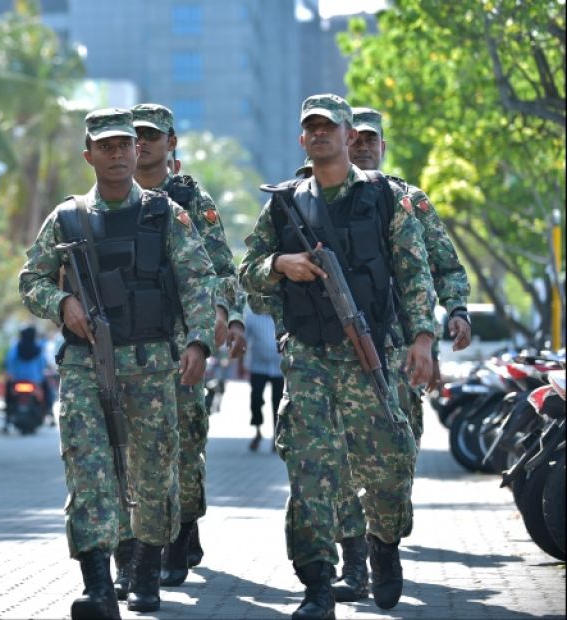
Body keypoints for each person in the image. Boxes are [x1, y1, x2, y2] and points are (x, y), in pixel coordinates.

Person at [239, 93, 437, 619]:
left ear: (351, 136)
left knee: (391, 464)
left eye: (332, 126)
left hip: (375, 354)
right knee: (310, 472)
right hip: (308, 357)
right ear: (302, 139)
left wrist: (422, 339)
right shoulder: (283, 203)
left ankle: (385, 545)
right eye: (312, 128)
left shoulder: (386, 198)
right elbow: (246, 270)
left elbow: (415, 272)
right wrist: (281, 263)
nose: (321, 134)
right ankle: (318, 587)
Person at [19, 107, 215, 619]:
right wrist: (62, 304)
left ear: (137, 152)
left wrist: (199, 341)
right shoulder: (65, 218)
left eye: (125, 145)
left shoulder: (167, 214)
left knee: (154, 474)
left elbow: (198, 280)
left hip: (153, 366)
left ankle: (146, 571)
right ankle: (99, 588)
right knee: (88, 473)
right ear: (89, 155)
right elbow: (31, 278)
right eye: (105, 147)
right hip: (87, 365)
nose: (117, 154)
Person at [327, 106, 472, 604]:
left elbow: (444, 264)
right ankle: (353, 560)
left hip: (396, 354)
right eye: (357, 138)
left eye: (372, 139)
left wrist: (454, 311)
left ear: (382, 146)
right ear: (342, 141)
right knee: (338, 457)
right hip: (329, 355)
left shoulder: (406, 200)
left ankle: (384, 540)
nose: (364, 147)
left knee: (394, 454)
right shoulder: (310, 198)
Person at [127, 102, 246, 589]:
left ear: (170, 142)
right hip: (132, 339)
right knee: (137, 446)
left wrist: (227, 315)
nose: (140, 143)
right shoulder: (112, 197)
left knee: (184, 440)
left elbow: (221, 264)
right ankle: (148, 540)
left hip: (181, 339)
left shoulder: (190, 198)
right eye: (132, 135)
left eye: (151, 135)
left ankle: (183, 528)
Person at [242, 304, 284, 452]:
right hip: (258, 366)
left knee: (278, 404)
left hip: (279, 368)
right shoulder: (253, 317)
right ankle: (258, 432)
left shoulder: (281, 314)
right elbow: (244, 340)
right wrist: (241, 363)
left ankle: (276, 437)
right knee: (256, 400)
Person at [3, 325, 54, 432]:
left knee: (8, 396)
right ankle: (50, 413)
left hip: (18, 380)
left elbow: (9, 362)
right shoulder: (38, 349)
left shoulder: (16, 348)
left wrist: (11, 375)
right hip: (35, 381)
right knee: (48, 392)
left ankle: (7, 419)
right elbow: (43, 365)